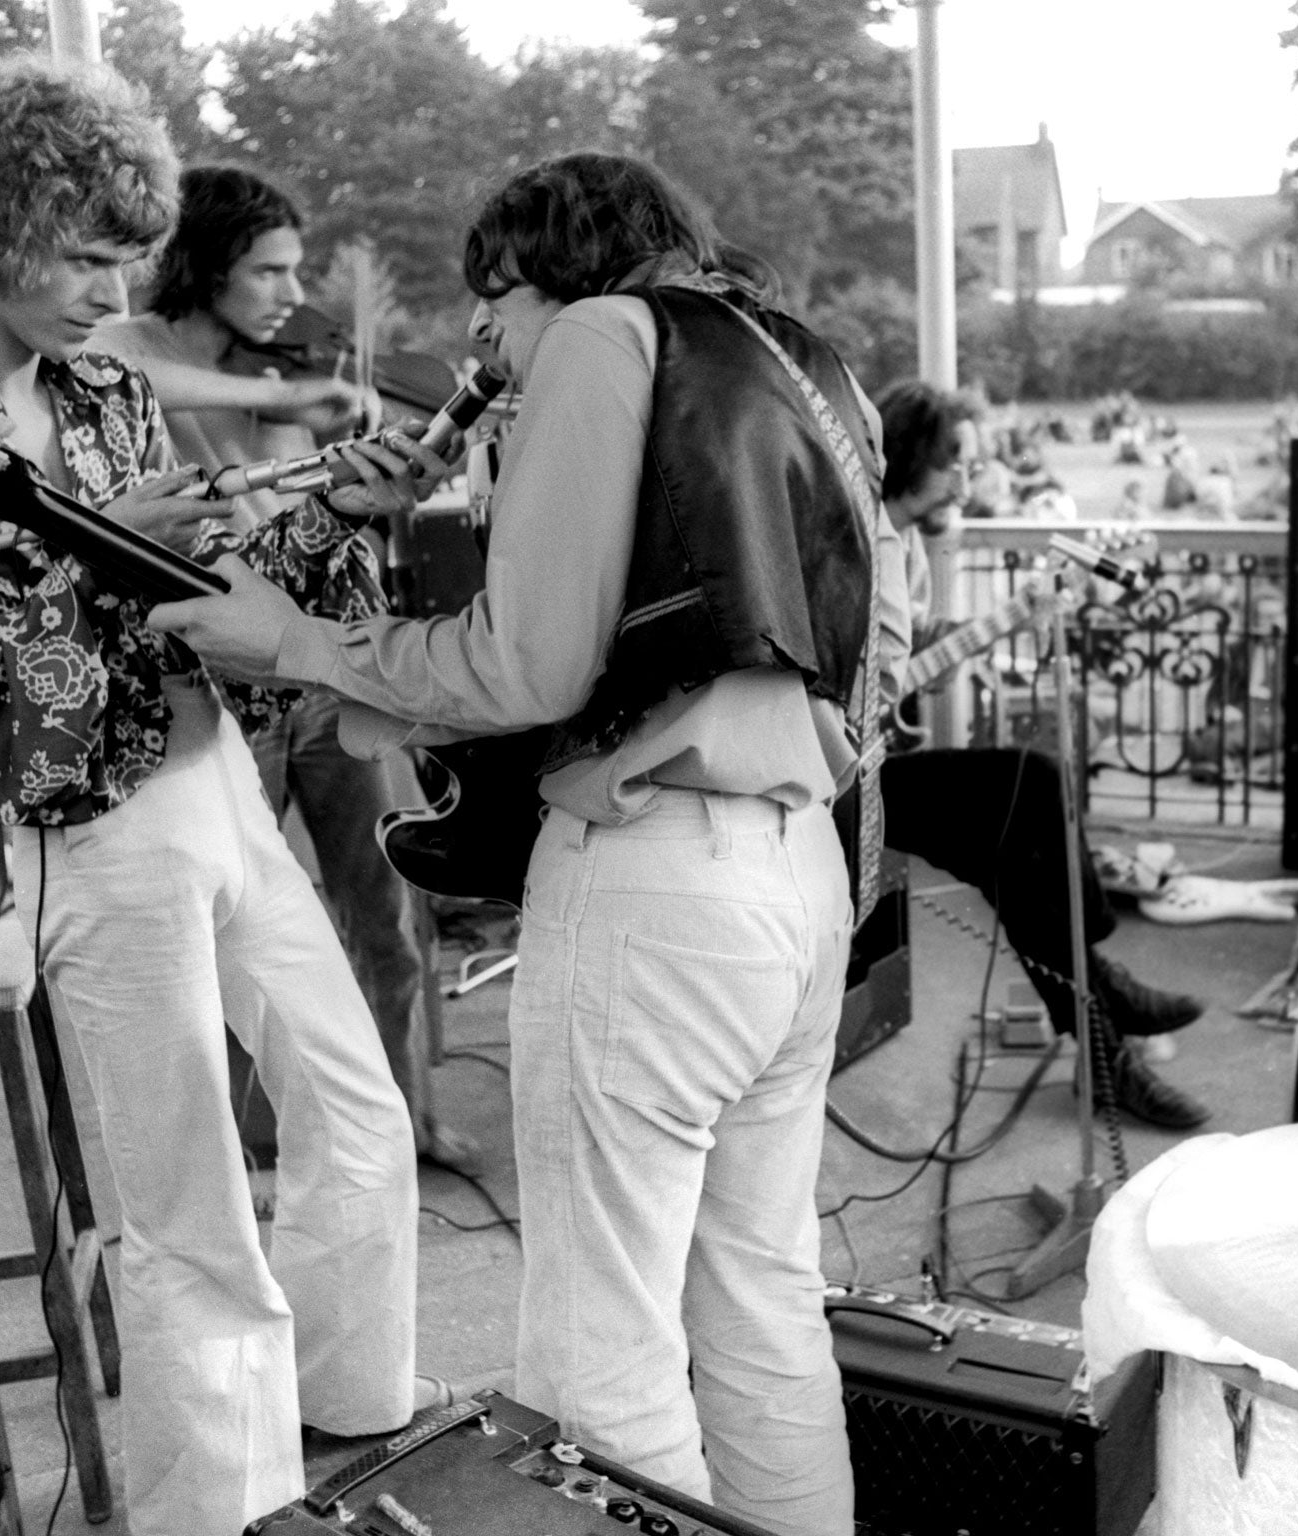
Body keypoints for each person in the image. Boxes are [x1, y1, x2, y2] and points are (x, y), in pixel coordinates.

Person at [152, 152, 884, 1536]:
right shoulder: (806, 369)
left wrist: (296, 638)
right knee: (762, 1303)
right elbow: (791, 635)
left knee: (602, 1356)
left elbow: (534, 667)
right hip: (795, 874)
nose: (479, 336)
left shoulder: (610, 336)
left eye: (496, 293)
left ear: (580, 267)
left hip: (654, 883)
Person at [0, 51, 426, 1536]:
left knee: (362, 1118)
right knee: (190, 1215)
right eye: (82, 255)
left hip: (223, 795)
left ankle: (353, 1438)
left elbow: (195, 597)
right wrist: (92, 556)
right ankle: (224, 1507)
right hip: (87, 837)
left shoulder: (104, 393)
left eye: (124, 259)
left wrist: (328, 513)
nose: (105, 289)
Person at [93, 164, 478, 1174]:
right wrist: (293, 390)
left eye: (295, 273)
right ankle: (253, 1141)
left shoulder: (284, 381)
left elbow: (314, 517)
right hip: (217, 686)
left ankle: (401, 1124)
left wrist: (368, 458)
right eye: (266, 272)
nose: (286, 296)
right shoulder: (131, 348)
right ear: (207, 267)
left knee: (387, 909)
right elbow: (126, 371)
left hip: (320, 665)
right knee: (233, 932)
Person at [868, 381, 1209, 1130]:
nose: (968, 476)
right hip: (836, 774)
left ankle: (1104, 1052)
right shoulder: (854, 538)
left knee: (1018, 863)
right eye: (956, 460)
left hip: (874, 759)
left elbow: (921, 660)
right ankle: (1105, 988)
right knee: (1031, 778)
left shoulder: (911, 549)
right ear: (914, 457)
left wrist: (996, 624)